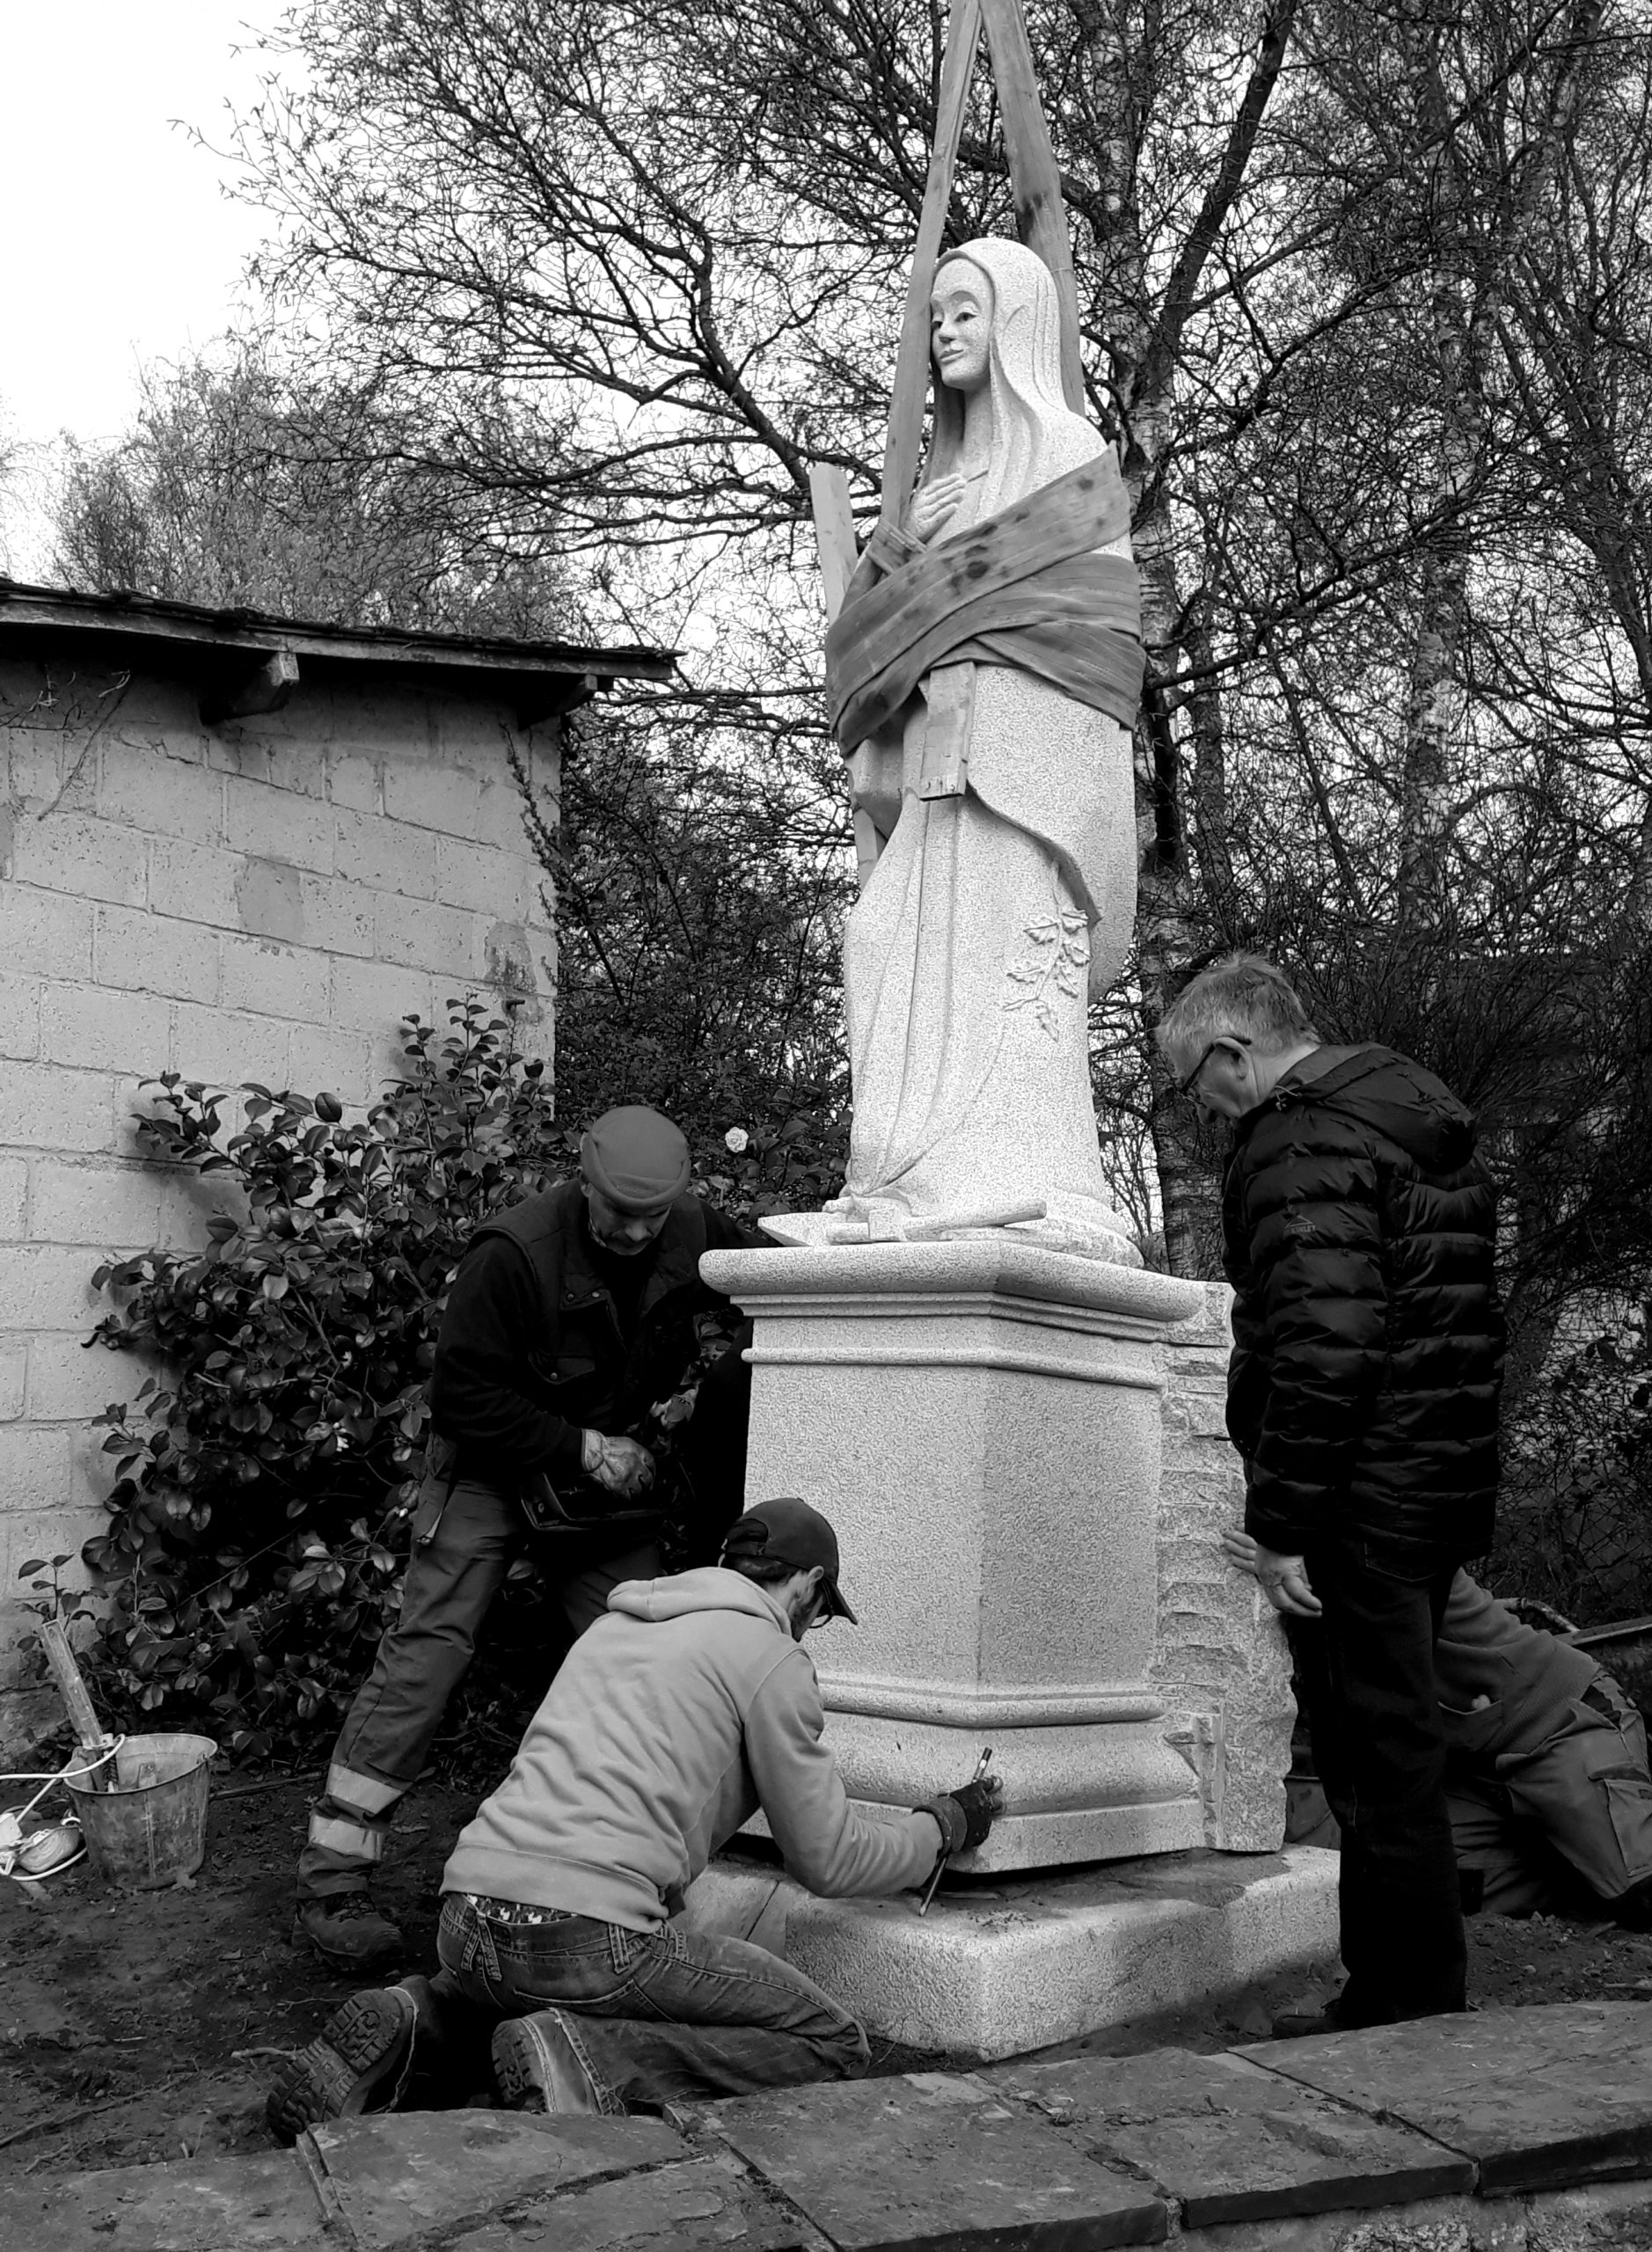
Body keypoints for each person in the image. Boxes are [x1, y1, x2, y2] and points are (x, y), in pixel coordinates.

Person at [269, 1497, 1002, 2133]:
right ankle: (590, 2059)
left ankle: (422, 2022)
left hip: (464, 1921)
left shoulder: (613, 1628)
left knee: (510, 1996)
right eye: (822, 1612)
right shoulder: (771, 1657)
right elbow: (829, 1860)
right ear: (809, 1586)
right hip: (585, 1938)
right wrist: (941, 1827)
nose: (812, 1627)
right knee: (832, 2041)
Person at [294, 1104, 765, 1969]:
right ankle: (334, 1881)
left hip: (597, 1489)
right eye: (618, 1211)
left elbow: (781, 1295)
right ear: (582, 1180)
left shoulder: (703, 1234)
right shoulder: (512, 1253)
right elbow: (462, 1397)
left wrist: (713, 1385)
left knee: (645, 1659)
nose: (635, 1232)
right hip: (492, 1466)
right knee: (427, 1654)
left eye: (652, 1216)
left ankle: (610, 1871)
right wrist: (583, 1447)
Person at [1157, 954, 1502, 2033]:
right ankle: (1408, 1989)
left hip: (1358, 1500)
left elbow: (1321, 1351)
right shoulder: (1408, 1109)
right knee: (1396, 1745)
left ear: (1232, 1053)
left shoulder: (1298, 1140)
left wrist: (1281, 1525)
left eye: (1196, 1085)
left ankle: (1401, 2007)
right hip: (1432, 1483)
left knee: (1372, 1758)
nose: (1206, 1109)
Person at [821, 238, 1144, 1256]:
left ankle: (1013, 1174)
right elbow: (873, 645)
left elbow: (1092, 631)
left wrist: (944, 597)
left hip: (1019, 771)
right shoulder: (940, 484)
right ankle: (902, 1171)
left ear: (1017, 323)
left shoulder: (1065, 452)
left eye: (967, 312)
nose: (947, 333)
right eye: (938, 316)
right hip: (936, 767)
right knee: (880, 944)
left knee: (1002, 972)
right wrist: (900, 562)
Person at [1223, 1531, 1652, 1927]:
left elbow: (1381, 1573)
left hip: (1558, 1724)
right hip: (1467, 1769)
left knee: (1649, 1895)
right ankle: (1575, 1856)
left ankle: (1626, 1846)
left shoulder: (1387, 1541)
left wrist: (1293, 1556)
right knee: (1425, 1883)